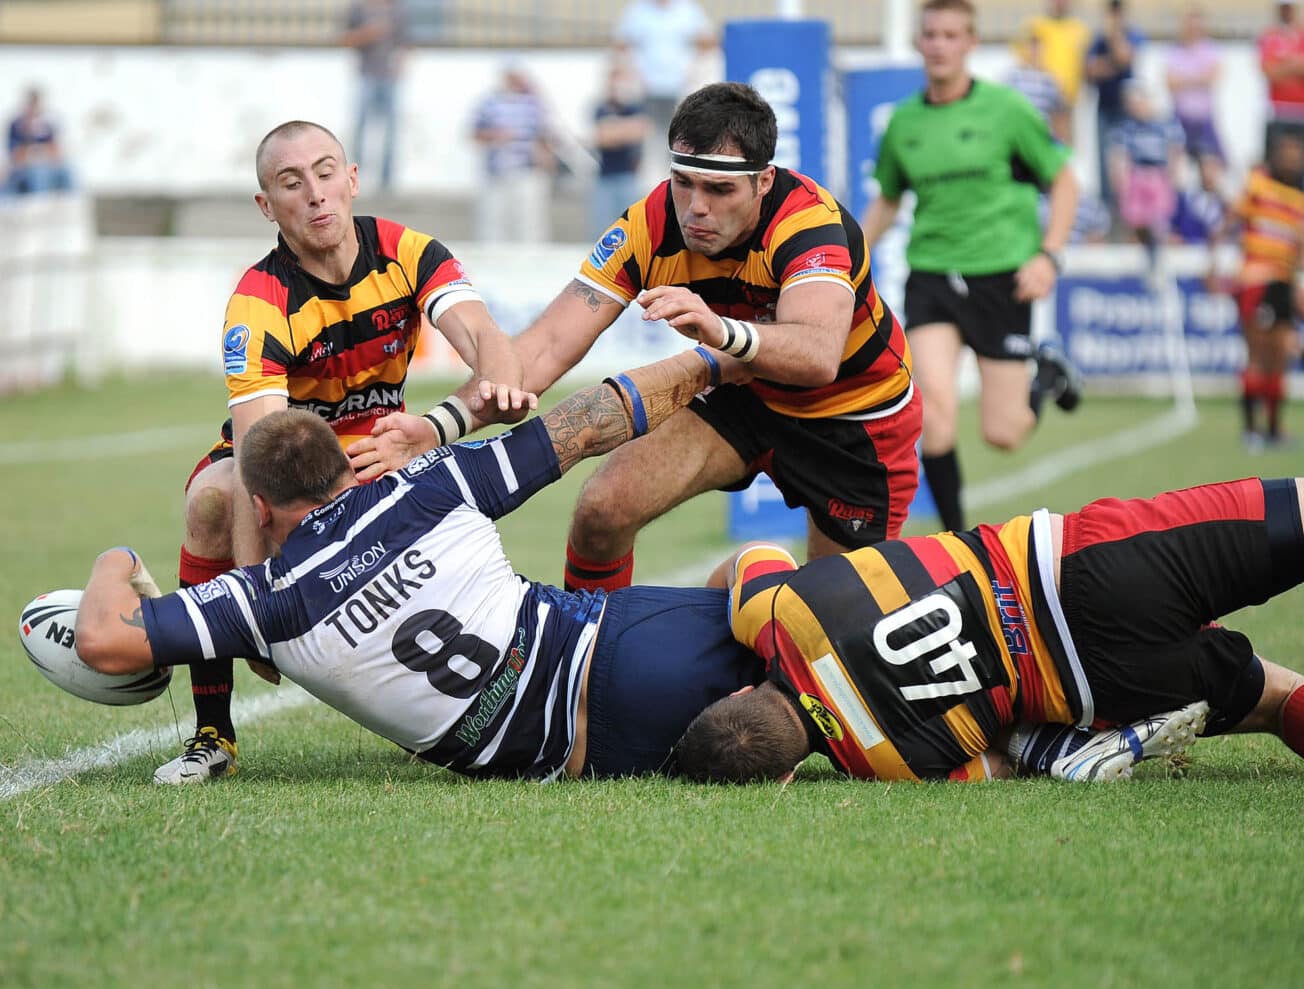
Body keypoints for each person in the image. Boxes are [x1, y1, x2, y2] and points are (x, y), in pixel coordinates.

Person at [75, 347, 768, 781]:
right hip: (621, 639)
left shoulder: (266, 603)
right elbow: (587, 421)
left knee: (787, 703)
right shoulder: (431, 484)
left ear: (260, 509)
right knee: (768, 593)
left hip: (583, 747)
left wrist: (119, 558)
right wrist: (718, 362)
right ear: (344, 466)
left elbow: (103, 640)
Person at [355, 81, 921, 592]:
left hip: (855, 421)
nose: (696, 208)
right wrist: (439, 425)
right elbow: (548, 344)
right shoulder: (651, 223)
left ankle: (739, 587)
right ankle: (589, 668)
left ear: (763, 182)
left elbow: (818, 354)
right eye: (683, 183)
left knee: (826, 615)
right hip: (747, 399)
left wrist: (719, 329)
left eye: (719, 190)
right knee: (603, 510)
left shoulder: (808, 223)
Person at [155, 120, 527, 784]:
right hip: (293, 470)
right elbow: (258, 455)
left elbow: (479, 332)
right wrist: (254, 604)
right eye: (292, 183)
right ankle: (213, 731)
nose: (316, 195)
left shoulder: (407, 251)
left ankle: (485, 694)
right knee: (209, 500)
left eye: (327, 173)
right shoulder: (258, 301)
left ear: (352, 179)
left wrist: (493, 382)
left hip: (385, 456)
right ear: (267, 206)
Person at [674, 477, 1304, 784]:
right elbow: (751, 554)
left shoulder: (886, 767)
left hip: (1097, 688)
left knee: (1279, 702)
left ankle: (1067, 748)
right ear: (736, 695)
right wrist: (726, 624)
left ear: (784, 777)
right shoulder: (776, 613)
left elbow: (995, 765)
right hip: (1083, 567)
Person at [861, 0, 1081, 536]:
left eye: (951, 35)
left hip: (1001, 277)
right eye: (930, 34)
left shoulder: (1007, 110)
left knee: (1004, 433)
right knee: (930, 410)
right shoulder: (903, 124)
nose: (939, 44)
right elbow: (888, 201)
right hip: (932, 276)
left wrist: (1048, 254)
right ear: (919, 43)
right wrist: (846, 258)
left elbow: (1065, 181)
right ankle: (957, 541)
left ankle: (1043, 377)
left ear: (970, 43)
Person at [1208, 133, 1304, 449]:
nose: (1293, 159)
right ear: (1275, 156)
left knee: (1279, 357)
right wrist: (1214, 266)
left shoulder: (1298, 202)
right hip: (1255, 281)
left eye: (1297, 154)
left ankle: (1274, 430)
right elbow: (1227, 224)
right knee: (1256, 355)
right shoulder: (1257, 186)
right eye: (1288, 152)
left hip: (1283, 284)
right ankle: (1251, 429)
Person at [613, 0, 715, 177]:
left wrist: (694, 68)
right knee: (650, 145)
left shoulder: (687, 9)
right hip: (648, 90)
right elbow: (621, 43)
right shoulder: (637, 10)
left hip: (680, 89)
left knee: (682, 140)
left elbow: (708, 40)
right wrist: (632, 70)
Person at [1107, 79, 1185, 272]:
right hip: (1137, 177)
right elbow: (1120, 158)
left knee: (1158, 220)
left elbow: (1174, 153)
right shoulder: (1126, 128)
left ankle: (1157, 258)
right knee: (1136, 218)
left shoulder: (1165, 125)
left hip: (1157, 177)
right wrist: (1120, 183)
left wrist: (1173, 179)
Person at [471, 64, 554, 244]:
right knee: (494, 226)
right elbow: (475, 133)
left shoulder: (534, 103)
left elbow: (546, 134)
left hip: (527, 171)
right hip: (497, 173)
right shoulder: (490, 102)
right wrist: (496, 135)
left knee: (530, 226)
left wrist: (546, 158)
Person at [1086, 0, 1145, 227]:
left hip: (1126, 111)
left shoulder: (1131, 35)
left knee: (1128, 167)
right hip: (1104, 109)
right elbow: (1090, 70)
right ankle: (1108, 220)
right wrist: (1113, 64)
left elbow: (1125, 57)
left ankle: (1131, 219)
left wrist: (1114, 37)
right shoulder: (1097, 39)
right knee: (1104, 166)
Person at [341, 0, 405, 192]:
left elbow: (405, 43)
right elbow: (345, 39)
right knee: (360, 127)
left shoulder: (398, 10)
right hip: (366, 75)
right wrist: (368, 33)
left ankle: (387, 180)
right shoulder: (358, 8)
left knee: (391, 130)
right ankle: (355, 176)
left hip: (390, 77)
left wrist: (400, 64)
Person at [1164, 7, 1224, 195]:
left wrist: (1185, 78)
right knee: (1176, 172)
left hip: (1203, 117)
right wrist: (1198, 77)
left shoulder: (1211, 49)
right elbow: (1170, 83)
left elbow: (1213, 78)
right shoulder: (1174, 50)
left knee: (1211, 170)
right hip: (1181, 117)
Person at [588, 59, 650, 240]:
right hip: (604, 177)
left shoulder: (635, 106)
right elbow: (602, 138)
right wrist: (624, 130)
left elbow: (640, 130)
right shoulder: (601, 107)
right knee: (601, 230)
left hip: (629, 175)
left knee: (630, 230)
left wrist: (614, 130)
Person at [1021, 0, 1090, 131]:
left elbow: (1084, 64)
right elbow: (1024, 59)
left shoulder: (1079, 29)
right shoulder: (1035, 26)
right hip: (1040, 101)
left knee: (1064, 145)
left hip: (1068, 101)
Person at [1006, 28, 1071, 145]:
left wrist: (1062, 142)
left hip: (1043, 138)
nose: (1034, 51)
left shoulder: (1050, 80)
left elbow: (1060, 114)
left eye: (1037, 47)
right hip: (1020, 137)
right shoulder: (1013, 77)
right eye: (1031, 47)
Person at [5, 86, 73, 195]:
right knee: (38, 173)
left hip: (47, 165)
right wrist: (28, 136)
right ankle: (40, 208)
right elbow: (15, 156)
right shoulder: (16, 126)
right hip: (25, 169)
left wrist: (44, 151)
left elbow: (56, 153)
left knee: (68, 170)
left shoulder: (47, 125)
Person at [1259, 1, 1304, 156]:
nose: (1286, 11)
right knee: (1276, 159)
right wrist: (1296, 64)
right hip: (1278, 110)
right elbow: (1269, 72)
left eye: (1289, 7)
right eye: (1284, 7)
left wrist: (1283, 64)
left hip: (1301, 110)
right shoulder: (1269, 36)